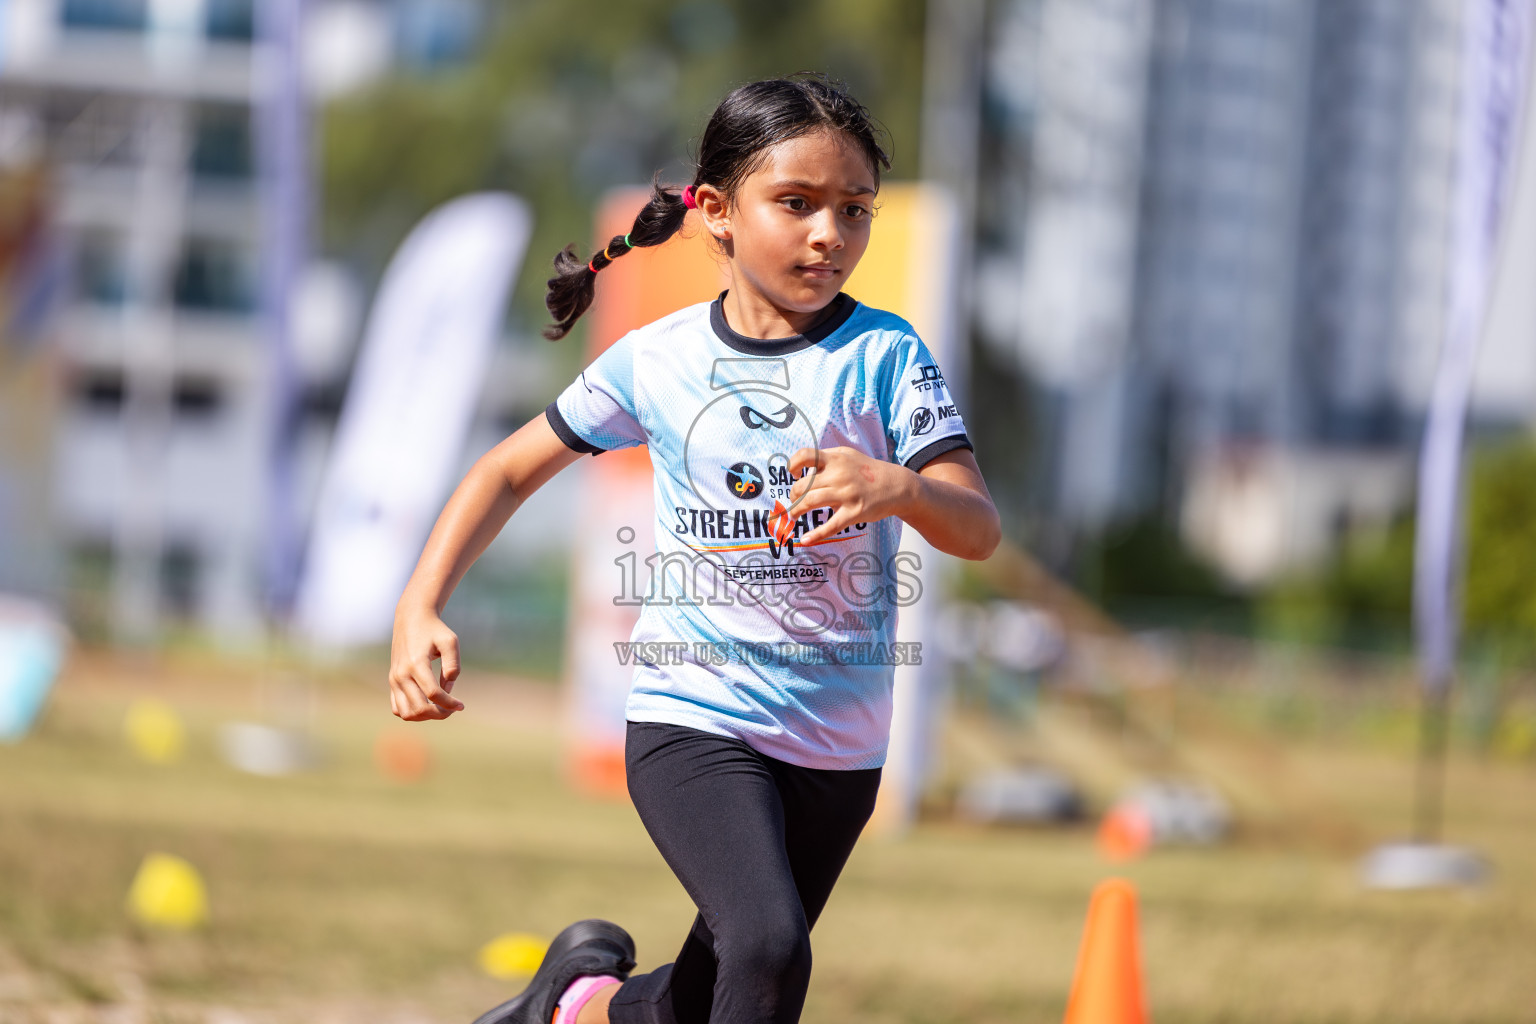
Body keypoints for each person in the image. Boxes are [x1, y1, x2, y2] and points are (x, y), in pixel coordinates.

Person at [387, 74, 1001, 1024]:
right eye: (795, 204)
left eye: (855, 210)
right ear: (715, 212)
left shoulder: (887, 354)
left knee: (711, 991)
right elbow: (506, 471)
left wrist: (899, 486)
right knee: (768, 946)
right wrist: (419, 606)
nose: (828, 234)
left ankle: (569, 1008)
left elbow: (977, 527)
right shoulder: (656, 359)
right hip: (693, 712)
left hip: (840, 741)